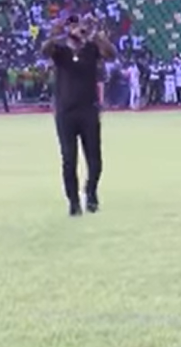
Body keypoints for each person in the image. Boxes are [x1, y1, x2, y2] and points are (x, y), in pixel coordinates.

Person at [42, 15, 117, 216]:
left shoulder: (91, 49)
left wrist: (95, 36)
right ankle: (73, 202)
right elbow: (45, 50)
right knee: (69, 158)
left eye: (79, 25)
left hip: (88, 110)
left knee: (95, 159)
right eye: (72, 25)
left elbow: (111, 54)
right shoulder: (60, 52)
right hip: (66, 112)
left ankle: (90, 191)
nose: (77, 29)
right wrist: (55, 35)